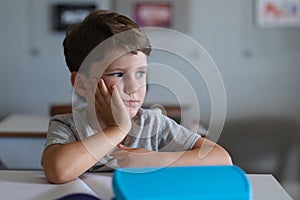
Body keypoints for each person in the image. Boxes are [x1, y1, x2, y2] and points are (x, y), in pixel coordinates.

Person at [41, 9, 232, 184]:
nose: (134, 86)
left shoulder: (153, 124)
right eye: (118, 74)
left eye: (140, 73)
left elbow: (222, 159)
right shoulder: (69, 126)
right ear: (81, 84)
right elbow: (58, 171)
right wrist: (117, 129)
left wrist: (153, 160)